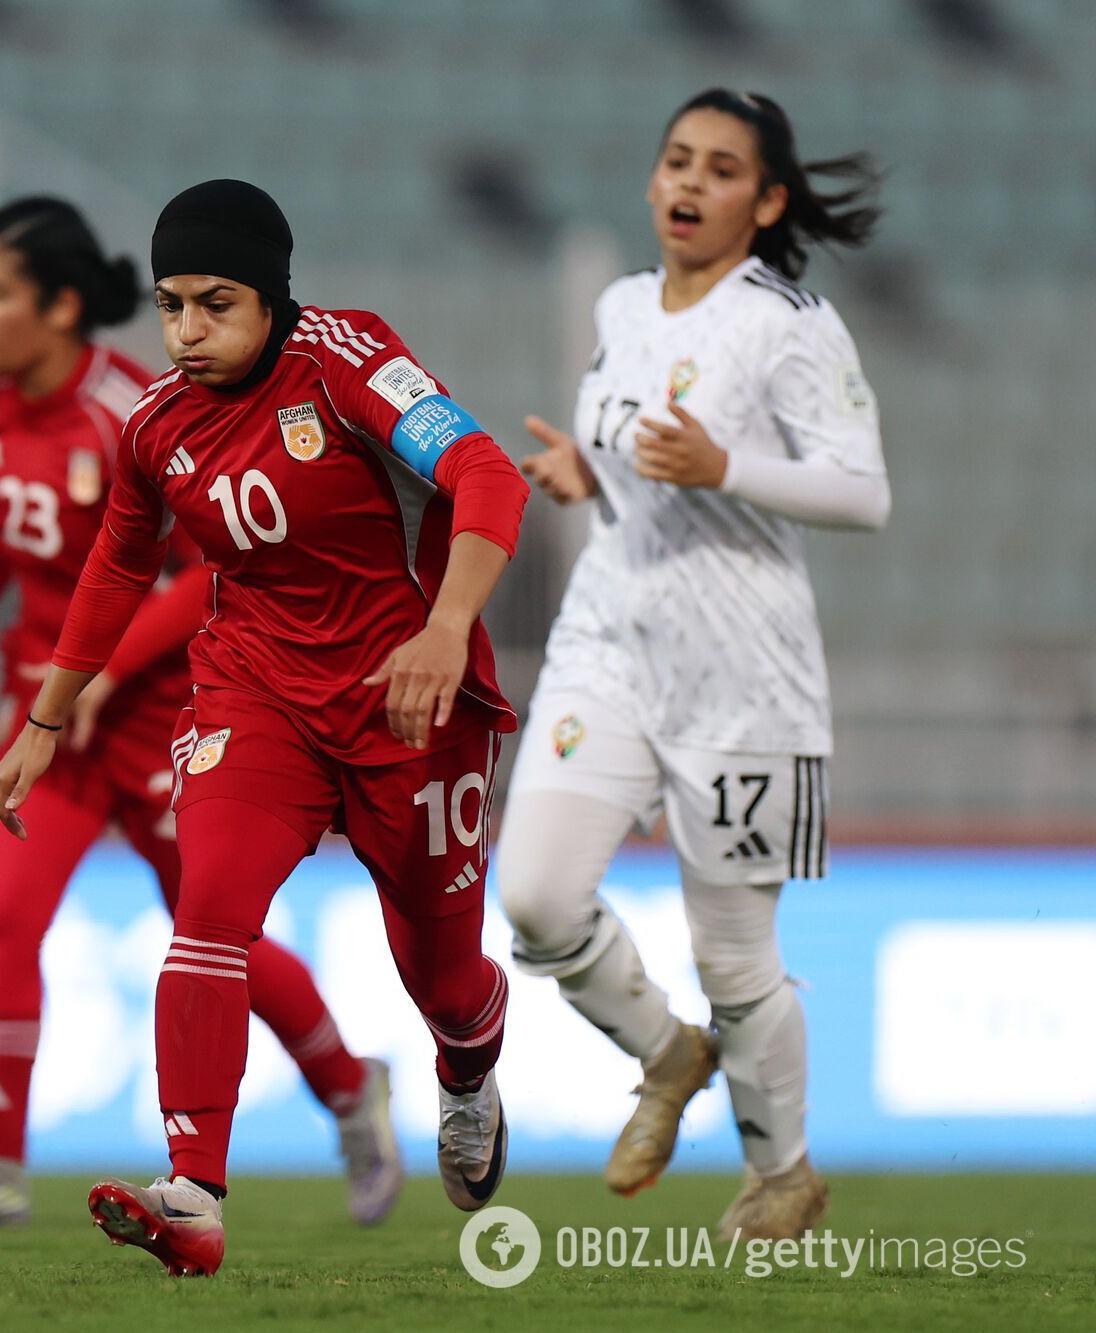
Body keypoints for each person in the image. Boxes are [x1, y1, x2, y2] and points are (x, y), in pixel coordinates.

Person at [0, 180, 530, 1276]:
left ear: (273, 298)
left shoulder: (344, 361)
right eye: (169, 305)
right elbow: (116, 566)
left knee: (441, 971)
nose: (186, 331)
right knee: (206, 909)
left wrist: (443, 629)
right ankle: (193, 1191)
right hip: (257, 692)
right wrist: (47, 717)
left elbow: (485, 474)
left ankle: (466, 1072)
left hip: (405, 697)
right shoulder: (155, 426)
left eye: (214, 303)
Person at [0, 197, 400, 1229]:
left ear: (60, 305)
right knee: (4, 915)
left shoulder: (134, 409)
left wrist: (102, 679)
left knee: (217, 939)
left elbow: (186, 571)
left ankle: (351, 1091)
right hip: (44, 714)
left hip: (162, 711)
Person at [498, 89, 889, 1241]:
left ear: (765, 202)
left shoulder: (790, 323)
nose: (687, 184)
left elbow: (862, 494)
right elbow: (638, 453)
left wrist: (727, 466)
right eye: (675, 160)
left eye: (721, 170)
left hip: (740, 676)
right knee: (533, 895)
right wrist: (590, 472)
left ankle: (781, 1177)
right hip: (606, 644)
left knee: (733, 954)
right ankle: (667, 1056)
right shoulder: (621, 307)